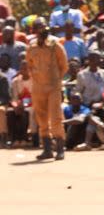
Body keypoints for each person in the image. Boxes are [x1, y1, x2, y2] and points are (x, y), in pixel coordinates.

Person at [27, 26, 69, 160]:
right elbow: (29, 64)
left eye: (44, 33)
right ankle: (47, 149)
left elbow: (64, 65)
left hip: (53, 87)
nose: (42, 35)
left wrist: (56, 80)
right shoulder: (31, 47)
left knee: (55, 117)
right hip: (38, 88)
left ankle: (60, 149)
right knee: (41, 119)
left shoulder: (55, 46)